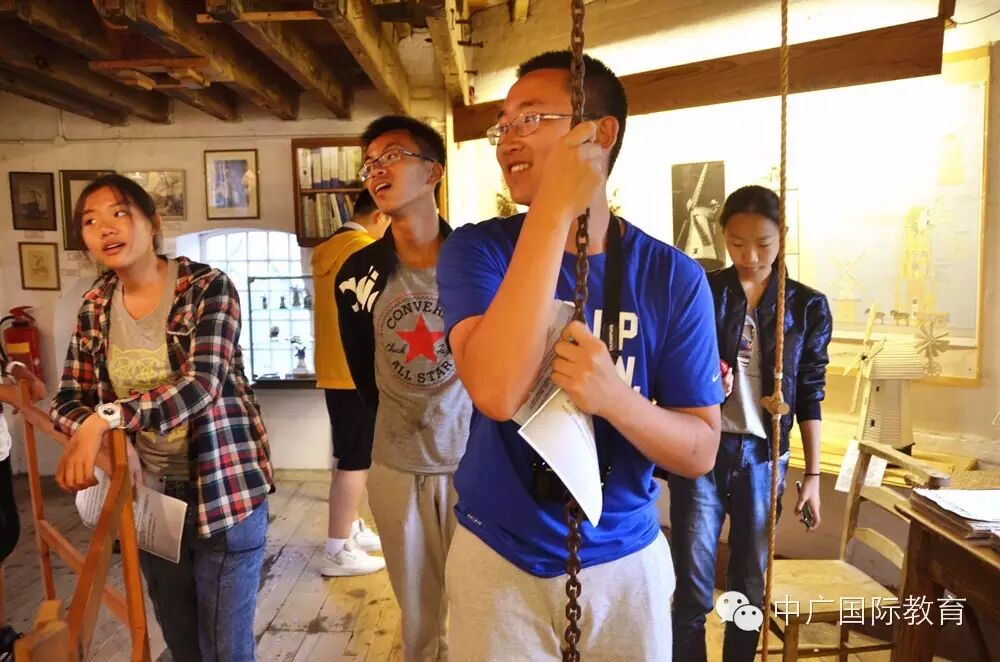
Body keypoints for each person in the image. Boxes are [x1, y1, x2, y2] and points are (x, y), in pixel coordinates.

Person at [436, 51, 724, 660]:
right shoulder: (477, 251)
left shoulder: (672, 277)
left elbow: (700, 450)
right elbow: (494, 391)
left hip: (626, 561)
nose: (507, 138)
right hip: (498, 555)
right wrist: (553, 210)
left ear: (599, 133)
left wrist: (616, 400)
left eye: (529, 118)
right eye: (502, 125)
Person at [50, 174, 272, 662]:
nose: (106, 228)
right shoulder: (95, 305)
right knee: (181, 643)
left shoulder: (207, 287)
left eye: (119, 213)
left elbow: (201, 385)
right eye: (90, 221)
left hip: (224, 488)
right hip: (149, 495)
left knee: (227, 652)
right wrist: (104, 436)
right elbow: (66, 398)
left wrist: (106, 421)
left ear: (153, 222)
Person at [669, 184, 832, 662]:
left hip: (764, 456)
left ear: (783, 236)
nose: (750, 256)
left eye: (763, 243)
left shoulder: (806, 306)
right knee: (692, 583)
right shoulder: (702, 290)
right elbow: (671, 362)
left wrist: (813, 476)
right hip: (703, 449)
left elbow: (811, 392)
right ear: (723, 236)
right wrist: (700, 379)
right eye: (737, 243)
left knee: (748, 584)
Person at [335, 116, 471, 661]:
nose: (376, 170)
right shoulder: (357, 275)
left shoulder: (476, 260)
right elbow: (363, 374)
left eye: (391, 155)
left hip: (473, 462)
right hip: (395, 462)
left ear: (432, 171)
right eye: (369, 163)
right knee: (418, 625)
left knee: (477, 612)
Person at [312, 188, 390, 576]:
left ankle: (351, 527)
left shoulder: (328, 249)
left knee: (346, 455)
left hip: (333, 368)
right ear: (379, 216)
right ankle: (337, 548)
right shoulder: (364, 251)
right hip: (356, 371)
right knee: (357, 459)